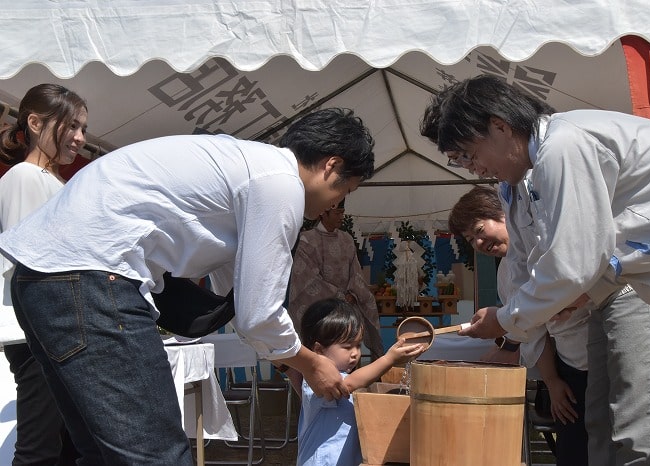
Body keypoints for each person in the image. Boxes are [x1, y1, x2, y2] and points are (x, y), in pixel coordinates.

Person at [0, 107, 375, 464]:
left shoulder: (247, 165)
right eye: (348, 190)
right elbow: (257, 316)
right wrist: (309, 363)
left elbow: (245, 300)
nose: (337, 203)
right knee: (157, 454)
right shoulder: (280, 184)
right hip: (92, 277)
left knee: (102, 453)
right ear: (332, 165)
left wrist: (287, 357)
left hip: (43, 279)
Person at [431, 74, 650, 463]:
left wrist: (506, 320)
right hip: (617, 284)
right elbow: (578, 261)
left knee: (634, 430)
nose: (474, 168)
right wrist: (571, 296)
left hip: (637, 285)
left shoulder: (564, 144)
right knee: (600, 424)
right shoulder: (532, 172)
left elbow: (572, 263)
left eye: (470, 155)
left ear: (500, 126)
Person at [449, 186, 591, 465]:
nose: (478, 243)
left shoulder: (545, 243)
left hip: (596, 350)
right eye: (470, 239)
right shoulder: (506, 271)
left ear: (504, 214)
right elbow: (535, 333)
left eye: (479, 230)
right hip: (571, 365)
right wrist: (552, 380)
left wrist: (506, 328)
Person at [0, 83, 87, 466]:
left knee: (65, 449)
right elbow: (27, 263)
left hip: (55, 330)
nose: (80, 138)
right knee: (40, 450)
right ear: (35, 123)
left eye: (83, 128)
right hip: (39, 333)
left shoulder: (53, 181)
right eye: (70, 127)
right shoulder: (24, 177)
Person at [295, 297, 424, 466]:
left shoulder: (343, 375)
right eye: (347, 347)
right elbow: (348, 384)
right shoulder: (315, 380)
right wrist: (388, 359)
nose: (355, 353)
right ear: (319, 350)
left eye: (358, 345)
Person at [288, 198, 384, 361]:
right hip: (319, 309)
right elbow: (307, 279)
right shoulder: (307, 240)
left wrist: (353, 294)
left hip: (347, 304)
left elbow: (355, 272)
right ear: (323, 213)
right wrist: (338, 297)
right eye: (337, 213)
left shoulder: (346, 239)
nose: (341, 217)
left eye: (342, 213)